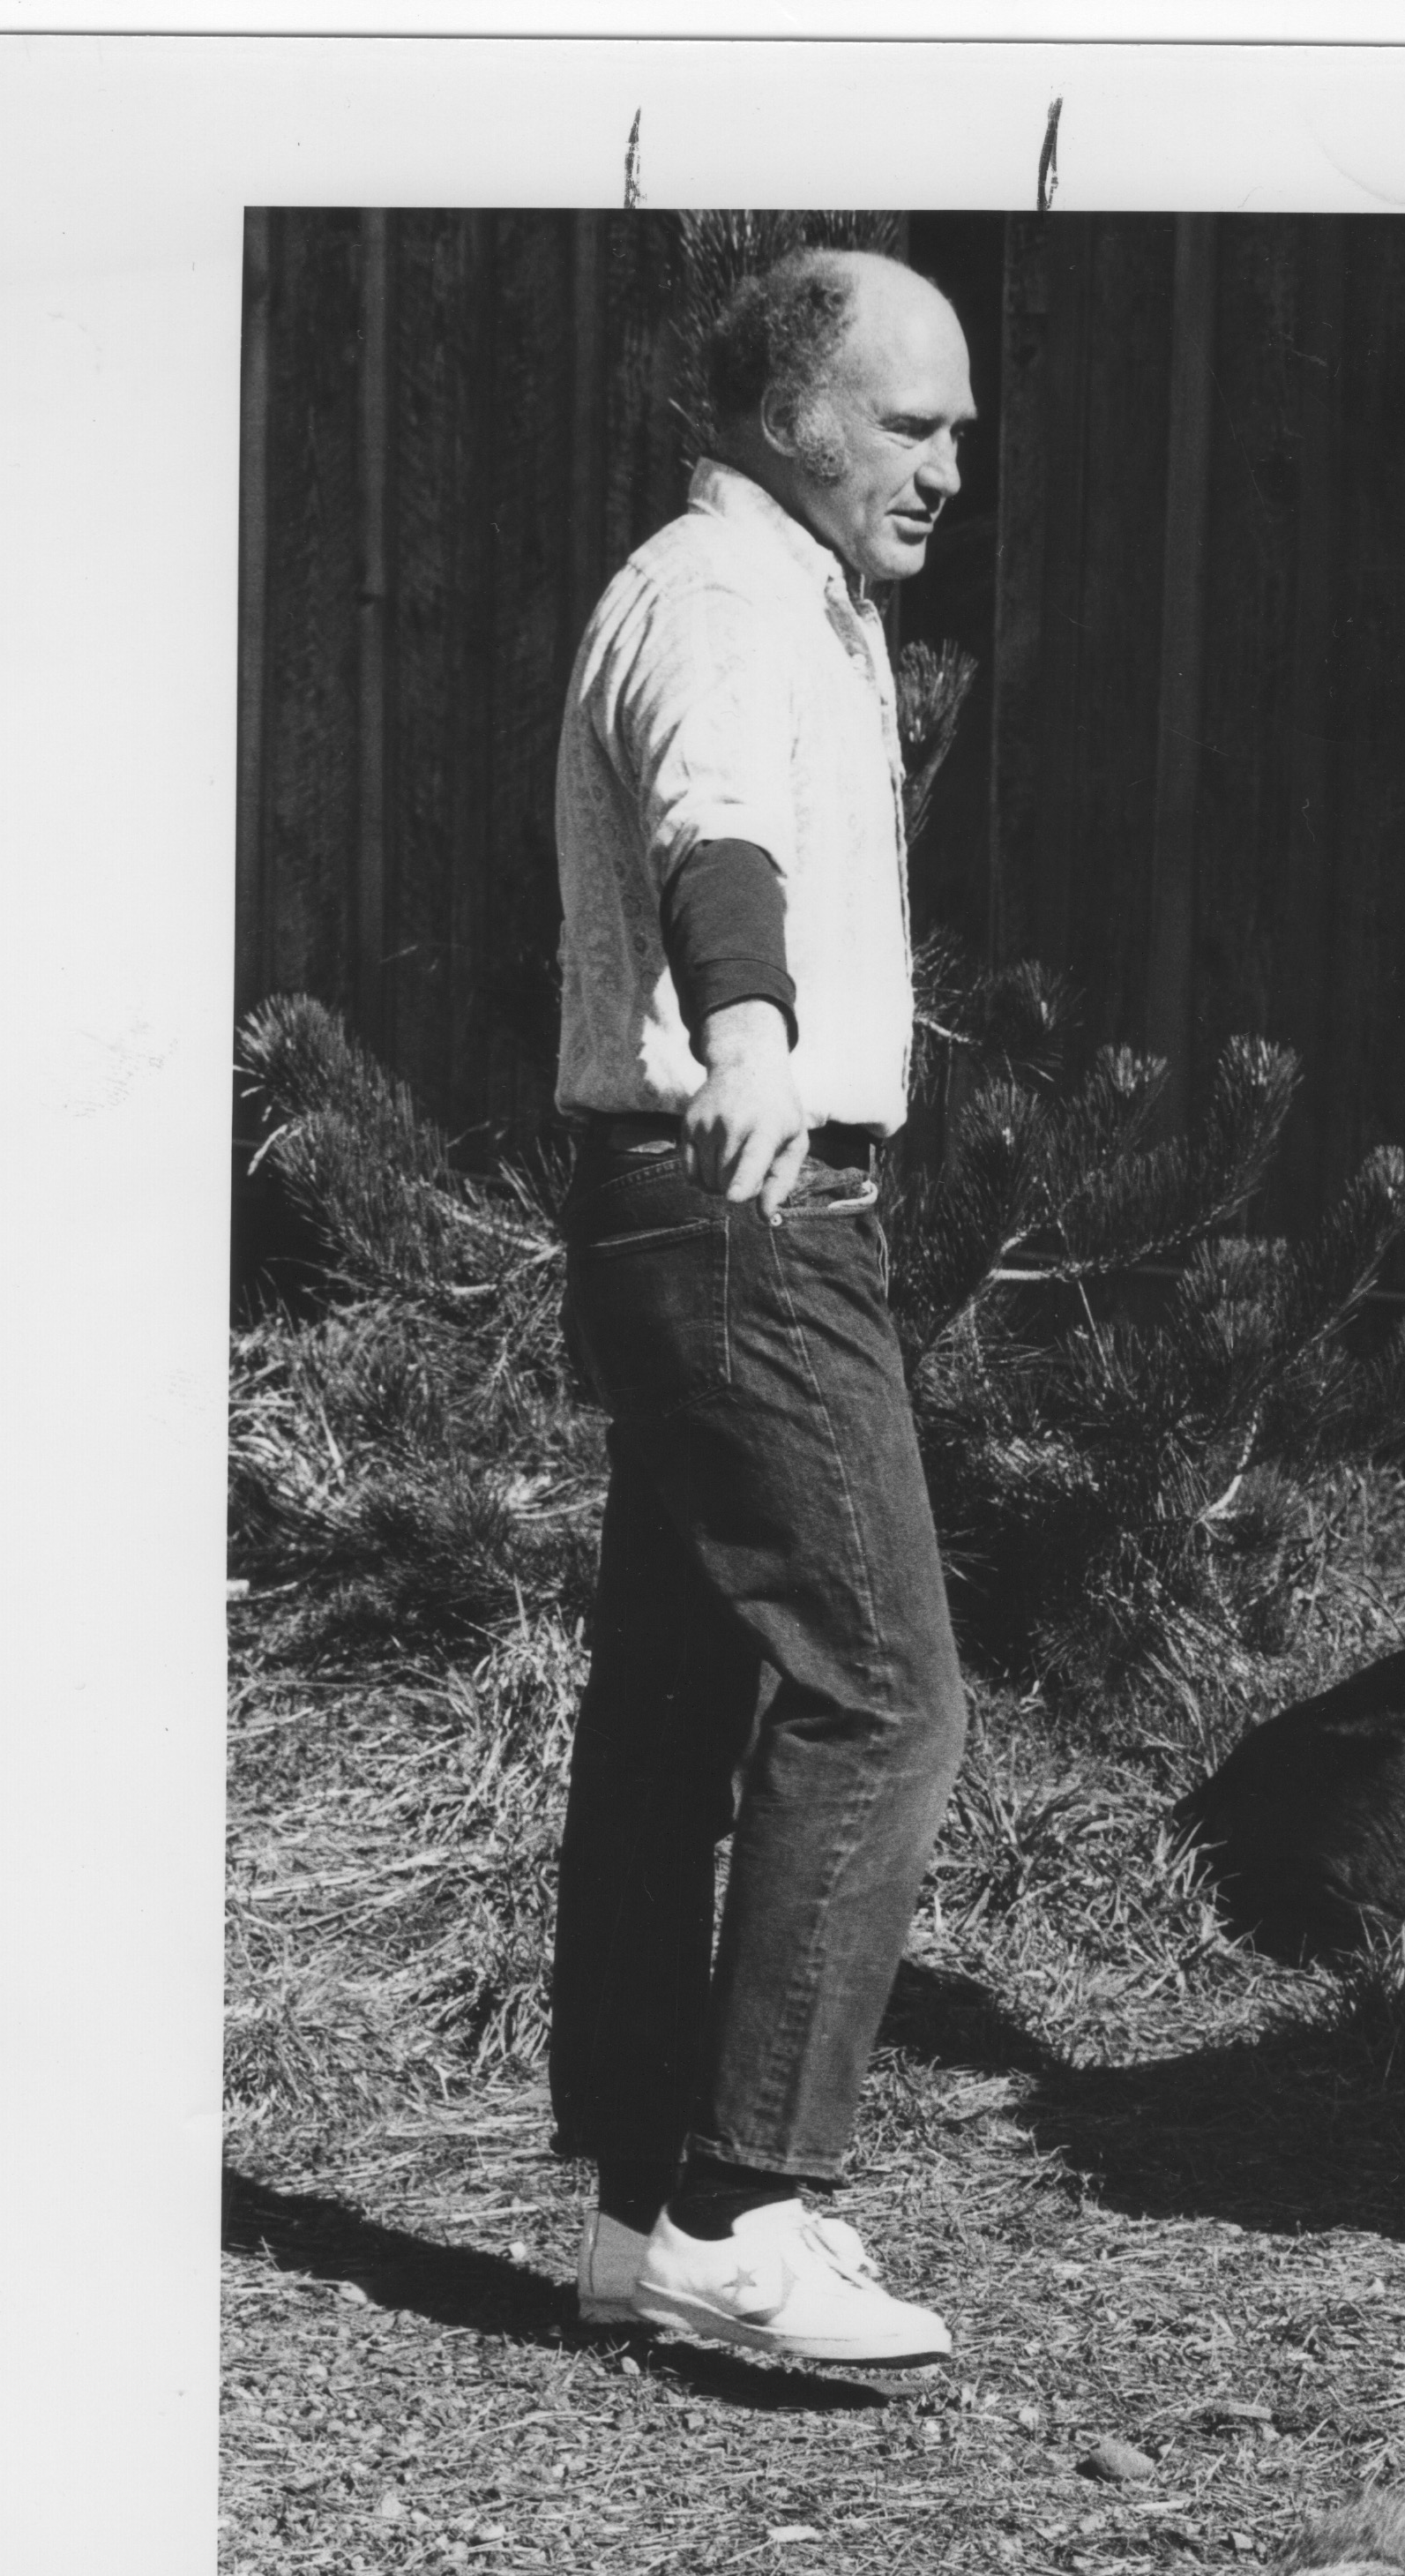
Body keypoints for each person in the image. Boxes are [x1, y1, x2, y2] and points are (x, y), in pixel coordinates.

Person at [545, 246, 976, 2369]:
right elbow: (714, 833)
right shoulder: (718, 598)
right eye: (909, 423)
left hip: (697, 1190)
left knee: (680, 1699)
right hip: (740, 1183)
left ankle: (640, 2208)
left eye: (958, 428)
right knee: (883, 1690)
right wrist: (745, 1036)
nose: (948, 466)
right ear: (789, 414)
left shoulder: (786, 594)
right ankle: (740, 2210)